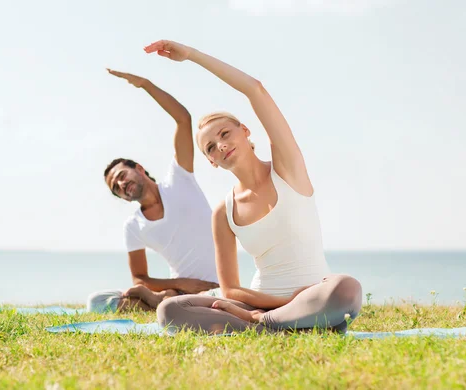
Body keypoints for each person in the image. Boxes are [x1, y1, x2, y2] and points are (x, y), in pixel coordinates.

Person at [145, 40, 363, 334]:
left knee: (346, 288)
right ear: (211, 161)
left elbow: (255, 89)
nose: (221, 145)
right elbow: (231, 289)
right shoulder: (224, 212)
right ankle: (284, 324)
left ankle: (268, 325)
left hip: (314, 297)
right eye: (210, 147)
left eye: (225, 133)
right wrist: (277, 304)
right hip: (260, 304)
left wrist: (192, 56)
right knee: (170, 309)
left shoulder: (287, 170)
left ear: (245, 131)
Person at [86, 69, 219, 313]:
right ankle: (162, 299)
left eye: (121, 176)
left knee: (207, 302)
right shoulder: (134, 226)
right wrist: (181, 283)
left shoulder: (180, 179)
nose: (121, 185)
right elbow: (139, 278)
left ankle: (158, 301)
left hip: (217, 286)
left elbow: (183, 119)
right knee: (95, 301)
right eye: (116, 188)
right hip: (182, 289)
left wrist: (146, 84)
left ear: (139, 168)